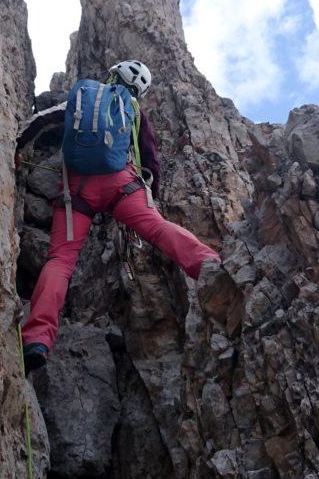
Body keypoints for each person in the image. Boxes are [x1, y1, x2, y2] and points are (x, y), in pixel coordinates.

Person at [17, 60, 221, 372]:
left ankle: (37, 339)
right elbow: (150, 161)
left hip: (77, 189)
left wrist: (17, 146)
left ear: (113, 73)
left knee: (60, 261)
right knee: (156, 227)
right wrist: (149, 195)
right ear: (138, 90)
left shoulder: (86, 95)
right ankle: (208, 264)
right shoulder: (134, 110)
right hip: (122, 185)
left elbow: (44, 119)